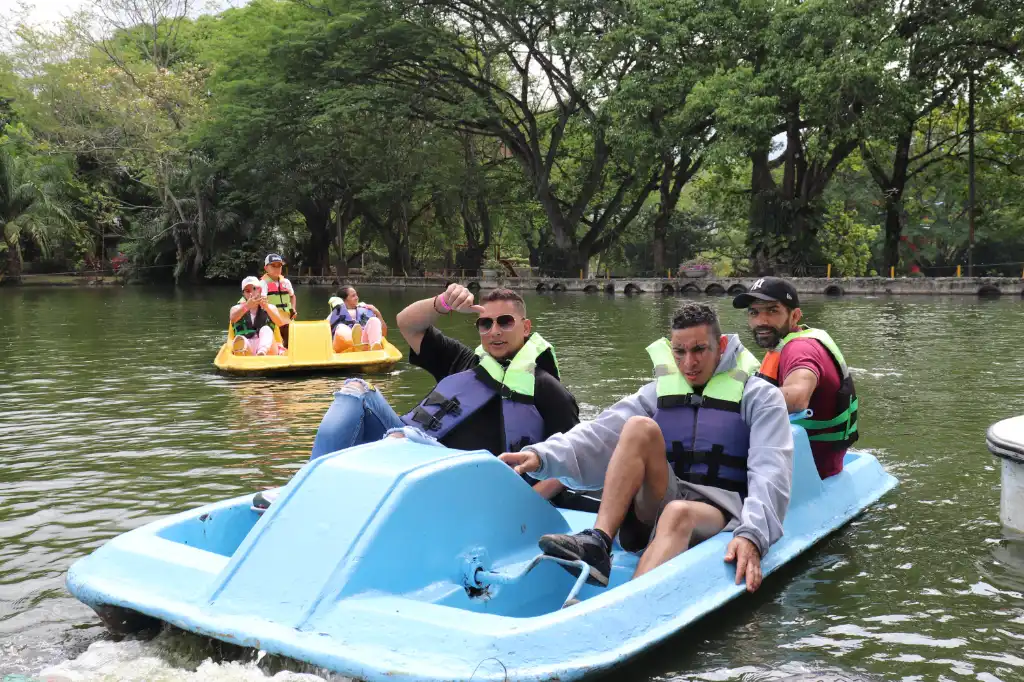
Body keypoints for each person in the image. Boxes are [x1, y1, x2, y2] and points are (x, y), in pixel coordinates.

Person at [499, 302, 793, 593]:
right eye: (680, 352)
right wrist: (541, 456)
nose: (689, 363)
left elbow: (770, 471)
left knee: (678, 512)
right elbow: (600, 432)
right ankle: (598, 541)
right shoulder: (657, 393)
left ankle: (628, 603)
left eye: (699, 349)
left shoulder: (761, 397)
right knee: (638, 426)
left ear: (722, 345)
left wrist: (753, 535)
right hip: (664, 495)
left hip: (719, 508)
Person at [308, 284, 581, 501]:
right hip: (411, 451)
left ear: (526, 327)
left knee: (403, 439)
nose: (494, 331)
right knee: (356, 390)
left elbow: (574, 458)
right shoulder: (463, 361)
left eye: (505, 322)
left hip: (470, 484)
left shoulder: (546, 388)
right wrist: (444, 302)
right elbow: (407, 323)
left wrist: (526, 504)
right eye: (486, 324)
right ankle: (312, 488)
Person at [732, 277, 859, 479]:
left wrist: (729, 402)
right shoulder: (789, 342)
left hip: (809, 472)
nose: (761, 321)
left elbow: (797, 397)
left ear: (795, 315)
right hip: (819, 461)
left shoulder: (800, 349)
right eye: (754, 312)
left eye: (772, 311)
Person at [229, 276, 289, 356]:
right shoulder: (236, 308)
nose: (251, 293)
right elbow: (233, 319)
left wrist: (266, 307)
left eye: (254, 289)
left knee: (266, 329)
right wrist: (247, 306)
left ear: (259, 290)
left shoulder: (271, 307)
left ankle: (262, 352)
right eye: (247, 291)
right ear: (243, 293)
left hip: (268, 349)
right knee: (241, 339)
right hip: (248, 347)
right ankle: (242, 348)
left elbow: (280, 323)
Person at [328, 286, 385, 352]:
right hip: (343, 345)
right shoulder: (334, 314)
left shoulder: (365, 310)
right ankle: (354, 342)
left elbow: (383, 334)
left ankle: (374, 346)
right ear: (344, 300)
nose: (357, 297)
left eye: (356, 295)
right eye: (353, 296)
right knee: (341, 327)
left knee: (374, 320)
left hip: (363, 343)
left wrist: (377, 313)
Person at [261, 254, 296, 347]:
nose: (277, 268)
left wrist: (293, 308)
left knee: (290, 343)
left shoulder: (286, 282)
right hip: (272, 321)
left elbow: (292, 296)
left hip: (287, 319)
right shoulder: (263, 283)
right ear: (266, 268)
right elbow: (262, 302)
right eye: (273, 265)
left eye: (279, 265)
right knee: (277, 343)